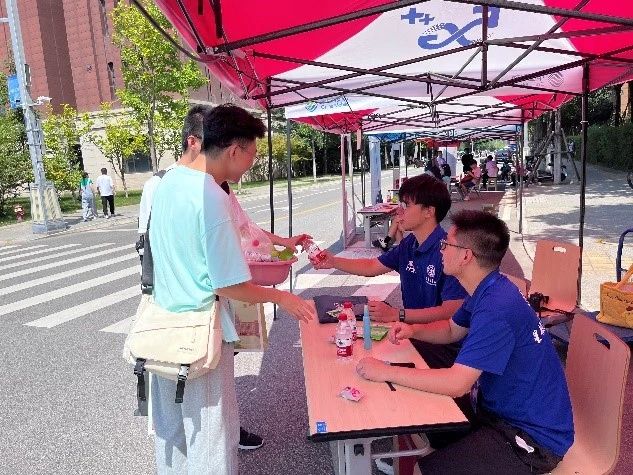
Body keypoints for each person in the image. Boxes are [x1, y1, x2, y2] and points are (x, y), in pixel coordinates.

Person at [148, 104, 315, 475]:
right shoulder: (211, 196)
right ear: (234, 150)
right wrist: (281, 297)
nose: (252, 164)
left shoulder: (167, 183)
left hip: (163, 330)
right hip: (200, 337)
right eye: (252, 154)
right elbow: (231, 284)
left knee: (173, 434)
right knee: (211, 440)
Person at [356, 210, 574, 474]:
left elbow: (456, 384)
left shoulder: (496, 307)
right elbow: (451, 330)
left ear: (466, 255)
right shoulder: (488, 287)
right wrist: (412, 330)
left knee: (422, 470)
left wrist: (385, 371)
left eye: (446, 244)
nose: (441, 250)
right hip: (495, 410)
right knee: (424, 415)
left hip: (531, 437)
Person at [313, 174, 466, 361]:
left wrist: (397, 314)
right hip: (413, 332)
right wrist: (333, 261)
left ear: (429, 211)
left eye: (406, 205)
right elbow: (372, 266)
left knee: (367, 360)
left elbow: (451, 310)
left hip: (443, 346)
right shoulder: (409, 243)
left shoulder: (448, 251)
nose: (398, 211)